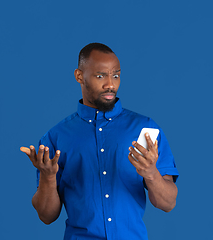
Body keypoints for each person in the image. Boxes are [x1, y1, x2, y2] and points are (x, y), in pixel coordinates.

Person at [20, 43, 179, 240]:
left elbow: (168, 203)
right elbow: (46, 215)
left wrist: (151, 173)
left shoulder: (145, 131)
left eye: (116, 75)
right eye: (100, 75)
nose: (110, 84)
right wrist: (48, 177)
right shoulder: (56, 137)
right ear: (79, 76)